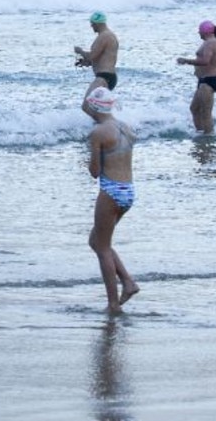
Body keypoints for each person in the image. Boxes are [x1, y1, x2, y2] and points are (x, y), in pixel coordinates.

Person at [83, 86, 139, 314]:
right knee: (96, 241)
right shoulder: (126, 128)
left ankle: (113, 304)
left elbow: (95, 171)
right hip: (128, 190)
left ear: (94, 107)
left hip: (111, 190)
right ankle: (128, 282)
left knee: (102, 247)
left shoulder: (98, 133)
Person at [176, 20, 216, 134]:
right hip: (207, 80)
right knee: (194, 108)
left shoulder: (210, 43)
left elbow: (205, 61)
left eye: (200, 31)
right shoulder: (215, 42)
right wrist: (215, 64)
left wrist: (186, 61)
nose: (198, 33)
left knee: (206, 112)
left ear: (205, 31)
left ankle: (208, 138)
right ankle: (201, 133)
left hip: (208, 81)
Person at [74, 12, 119, 93]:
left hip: (104, 77)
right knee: (97, 104)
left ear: (97, 24)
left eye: (92, 24)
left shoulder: (104, 36)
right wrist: (85, 62)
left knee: (87, 104)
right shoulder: (108, 35)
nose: (91, 26)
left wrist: (80, 51)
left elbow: (91, 56)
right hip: (108, 76)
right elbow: (100, 58)